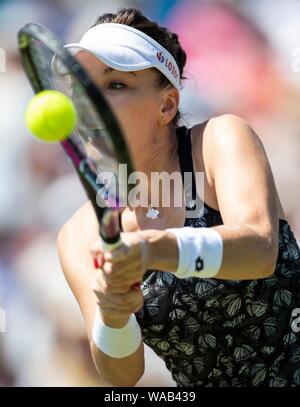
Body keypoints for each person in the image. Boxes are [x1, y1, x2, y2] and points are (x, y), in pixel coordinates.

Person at [57, 8, 300, 387]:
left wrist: (155, 249)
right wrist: (114, 314)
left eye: (116, 85)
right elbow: (123, 376)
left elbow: (259, 249)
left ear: (167, 105)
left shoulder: (220, 140)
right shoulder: (78, 235)